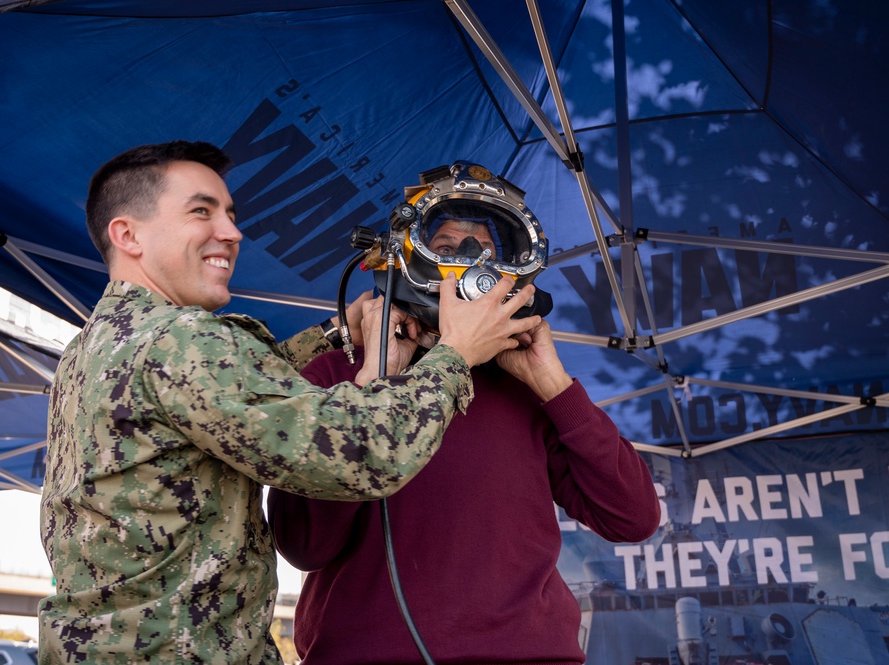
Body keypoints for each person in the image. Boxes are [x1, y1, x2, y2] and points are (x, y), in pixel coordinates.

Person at [37, 142, 542, 664]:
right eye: (201, 211)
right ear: (128, 234)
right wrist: (458, 352)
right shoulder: (181, 342)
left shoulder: (100, 343)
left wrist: (334, 332)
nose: (232, 233)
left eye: (230, 215)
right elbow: (364, 453)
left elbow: (229, 395)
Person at [267, 162, 662, 664]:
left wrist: (555, 386)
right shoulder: (334, 376)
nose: (470, 263)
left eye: (488, 252)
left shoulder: (525, 388)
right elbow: (304, 545)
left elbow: (633, 517)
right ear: (402, 258)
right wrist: (373, 387)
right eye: (448, 247)